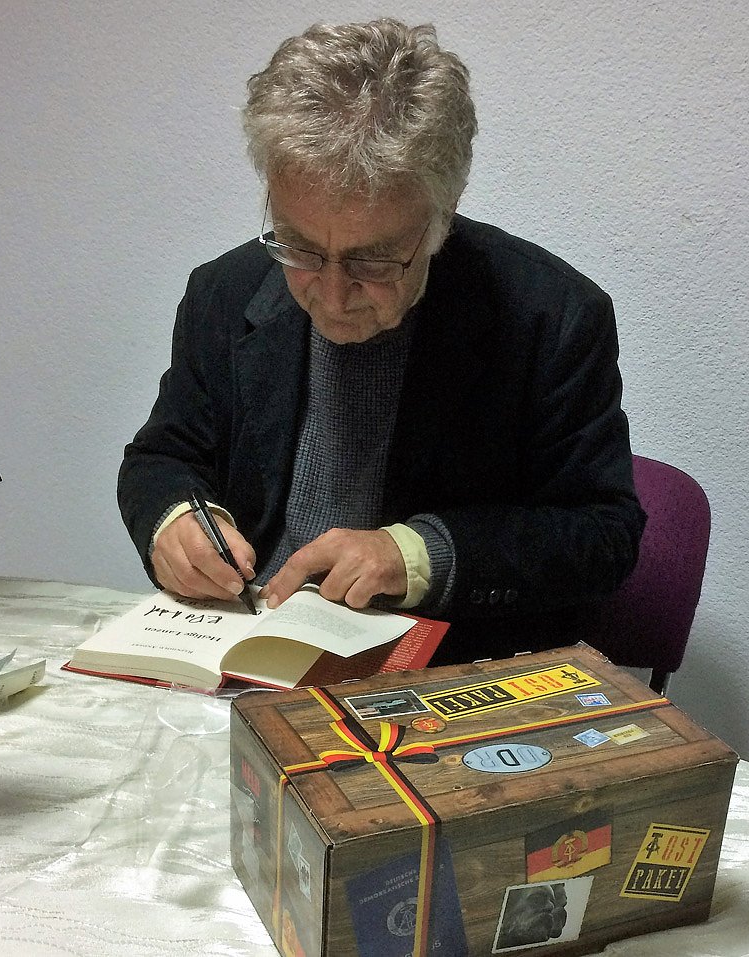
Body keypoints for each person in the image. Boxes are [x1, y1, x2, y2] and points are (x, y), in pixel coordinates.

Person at [118, 18, 644, 665]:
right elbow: (162, 455)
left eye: (373, 260)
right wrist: (174, 519)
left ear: (442, 214)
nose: (332, 295)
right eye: (300, 247)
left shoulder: (551, 316)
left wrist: (416, 554)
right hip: (246, 650)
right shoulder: (223, 292)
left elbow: (601, 535)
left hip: (437, 674)